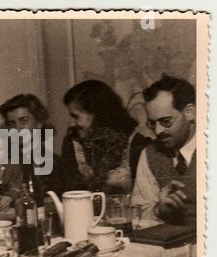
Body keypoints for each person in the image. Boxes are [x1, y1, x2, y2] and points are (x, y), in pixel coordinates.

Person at [131, 75, 196, 228]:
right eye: (152, 124)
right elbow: (138, 213)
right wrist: (159, 210)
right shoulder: (150, 153)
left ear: (190, 112)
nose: (158, 131)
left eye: (166, 122)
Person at [61, 80, 137, 194]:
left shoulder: (135, 143)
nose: (71, 124)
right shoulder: (71, 145)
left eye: (75, 116)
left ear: (98, 115)